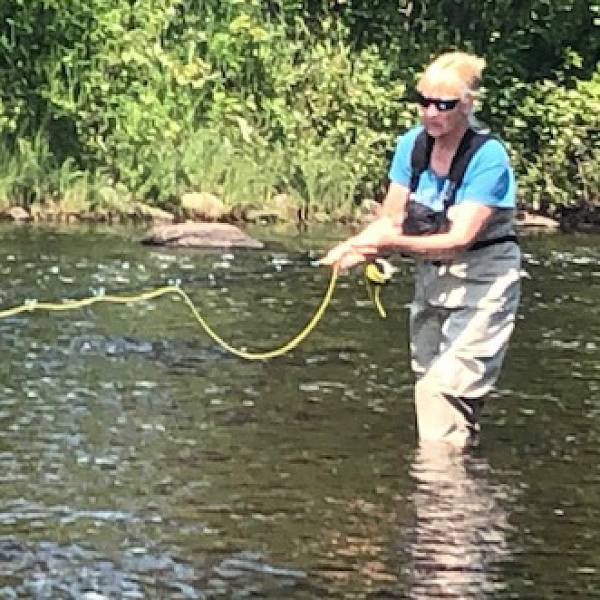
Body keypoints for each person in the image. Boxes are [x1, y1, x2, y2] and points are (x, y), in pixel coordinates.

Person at [321, 51, 521, 448]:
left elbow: (458, 238)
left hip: (483, 283)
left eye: (443, 105)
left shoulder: (489, 157)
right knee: (429, 382)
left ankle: (441, 495)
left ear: (467, 105)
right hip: (432, 279)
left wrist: (387, 244)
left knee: (445, 389)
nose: (431, 113)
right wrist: (355, 247)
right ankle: (453, 487)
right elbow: (392, 218)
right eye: (424, 101)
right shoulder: (412, 145)